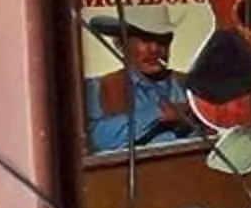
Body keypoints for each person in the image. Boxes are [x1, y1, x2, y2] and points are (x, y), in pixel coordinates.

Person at [84, 13, 196, 152]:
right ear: (121, 45)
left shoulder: (192, 86)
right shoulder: (100, 88)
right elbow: (95, 140)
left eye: (162, 40)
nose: (154, 49)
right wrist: (158, 114)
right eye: (145, 40)